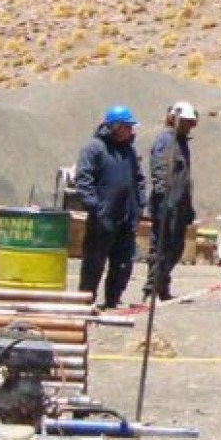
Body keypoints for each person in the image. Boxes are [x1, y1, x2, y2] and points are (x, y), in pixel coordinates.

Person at [72, 105, 148, 310]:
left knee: (123, 264)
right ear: (114, 126)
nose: (131, 131)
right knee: (94, 263)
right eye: (127, 126)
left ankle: (113, 300)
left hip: (126, 218)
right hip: (102, 218)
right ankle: (85, 302)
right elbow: (83, 179)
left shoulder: (129, 151)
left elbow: (139, 180)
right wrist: (94, 207)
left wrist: (140, 204)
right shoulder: (94, 148)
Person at [145, 101, 199, 301]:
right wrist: (163, 199)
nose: (189, 126)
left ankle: (160, 283)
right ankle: (153, 287)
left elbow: (184, 178)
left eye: (191, 123)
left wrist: (187, 206)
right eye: (186, 122)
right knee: (160, 246)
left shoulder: (182, 143)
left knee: (175, 248)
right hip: (166, 204)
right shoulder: (165, 141)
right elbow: (160, 170)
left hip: (179, 205)